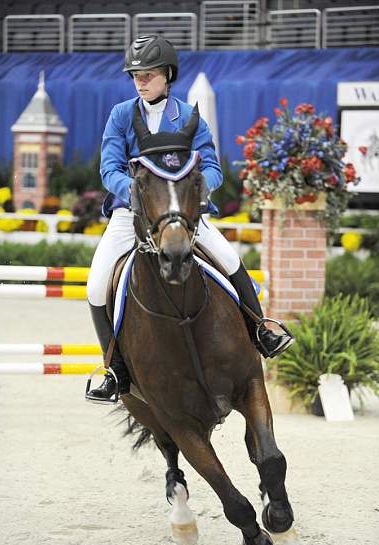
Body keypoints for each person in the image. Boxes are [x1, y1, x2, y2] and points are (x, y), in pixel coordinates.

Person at [86, 35, 293, 404]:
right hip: (131, 212)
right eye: (136, 75)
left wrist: (197, 193)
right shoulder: (121, 114)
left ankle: (261, 330)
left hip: (182, 212)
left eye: (148, 74)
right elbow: (109, 167)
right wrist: (135, 193)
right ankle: (113, 367)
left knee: (229, 259)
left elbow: (212, 167)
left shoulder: (190, 116)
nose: (140, 81)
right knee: (96, 282)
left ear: (167, 74)